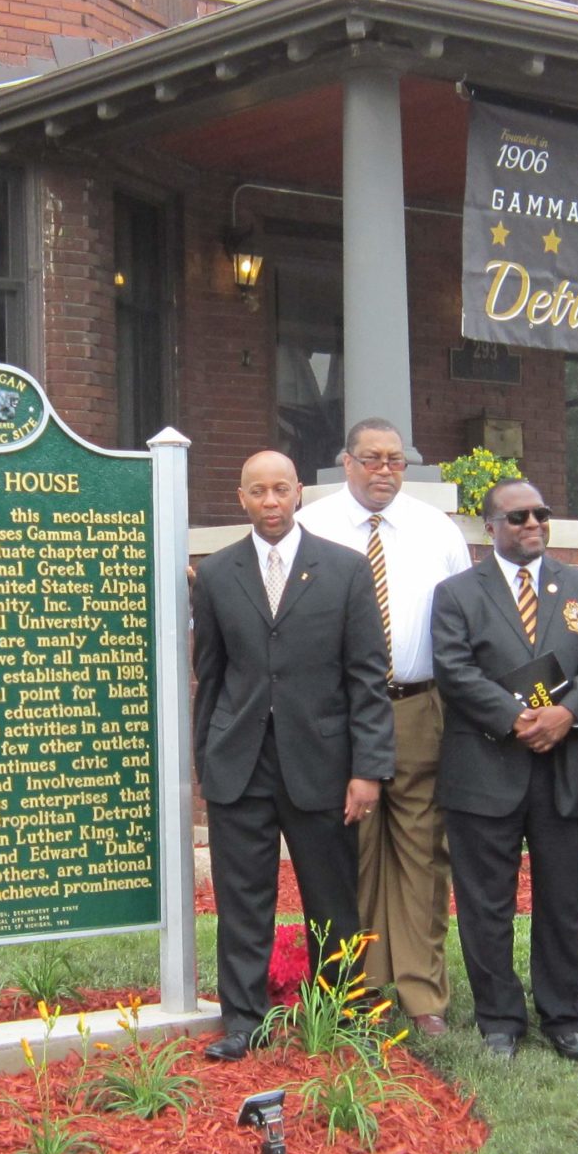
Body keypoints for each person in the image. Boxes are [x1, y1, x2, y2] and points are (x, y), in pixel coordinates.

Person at [190, 450, 393, 1062]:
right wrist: (208, 757)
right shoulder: (218, 574)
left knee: (330, 898)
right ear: (242, 497)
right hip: (241, 761)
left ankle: (335, 1013)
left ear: (299, 492)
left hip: (324, 765)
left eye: (281, 489)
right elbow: (211, 674)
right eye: (259, 492)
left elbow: (367, 679)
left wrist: (368, 770)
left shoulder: (346, 570)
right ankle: (242, 1020)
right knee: (242, 897)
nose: (271, 502)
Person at [432, 478, 578, 1061]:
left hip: (565, 766)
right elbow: (453, 668)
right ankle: (499, 1020)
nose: (532, 524)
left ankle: (564, 1018)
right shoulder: (457, 592)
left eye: (541, 513)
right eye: (517, 517)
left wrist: (566, 714)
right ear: (488, 526)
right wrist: (517, 720)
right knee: (486, 903)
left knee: (565, 901)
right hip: (485, 766)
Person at [295, 418, 472, 1036]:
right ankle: (363, 987)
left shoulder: (436, 530)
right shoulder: (310, 527)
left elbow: (465, 620)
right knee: (357, 854)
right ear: (345, 463)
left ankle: (423, 996)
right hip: (341, 712)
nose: (383, 471)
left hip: (420, 706)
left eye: (395, 460)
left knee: (423, 854)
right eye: (371, 459)